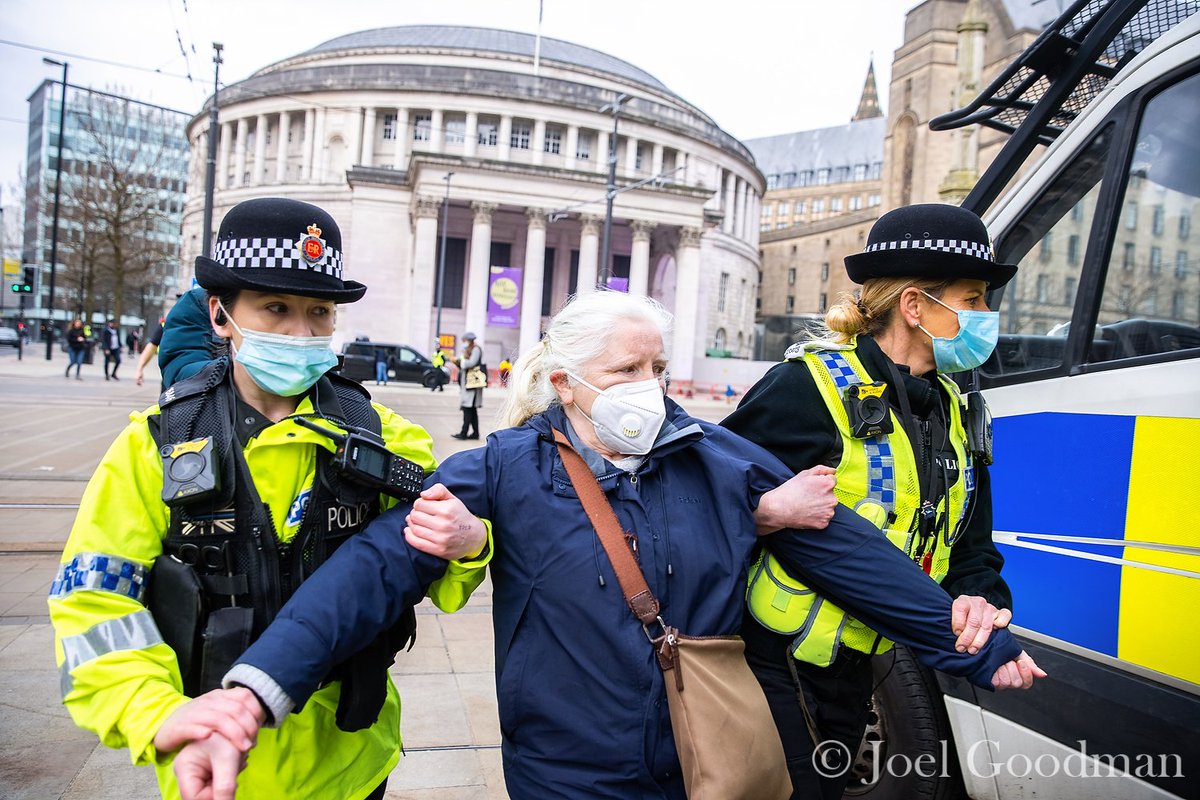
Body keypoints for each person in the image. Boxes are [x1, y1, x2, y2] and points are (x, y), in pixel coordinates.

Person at [169, 291, 1040, 800]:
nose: (650, 390)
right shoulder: (508, 467)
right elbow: (373, 570)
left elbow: (845, 549)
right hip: (568, 772)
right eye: (627, 373)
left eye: (658, 368)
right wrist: (256, 690)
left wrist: (971, 643)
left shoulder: (711, 454)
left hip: (704, 762)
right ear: (566, 384)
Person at [47, 197, 488, 800]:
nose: (300, 333)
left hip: (354, 766)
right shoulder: (154, 446)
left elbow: (435, 576)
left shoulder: (387, 438)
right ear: (220, 314)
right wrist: (156, 715)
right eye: (276, 307)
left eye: (320, 312)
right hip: (214, 769)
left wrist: (470, 544)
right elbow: (92, 602)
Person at [724, 203, 1041, 799]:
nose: (986, 317)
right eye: (972, 300)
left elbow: (972, 543)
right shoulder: (805, 389)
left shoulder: (956, 406)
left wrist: (979, 600)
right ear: (916, 306)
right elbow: (711, 502)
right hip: (775, 665)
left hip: (858, 670)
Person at [451, 331, 483, 439]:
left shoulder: (476, 349)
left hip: (472, 383)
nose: (463, 343)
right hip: (468, 383)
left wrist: (461, 361)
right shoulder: (468, 350)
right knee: (471, 410)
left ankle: (464, 432)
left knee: (468, 408)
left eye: (464, 341)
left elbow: (472, 363)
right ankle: (475, 433)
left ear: (469, 340)